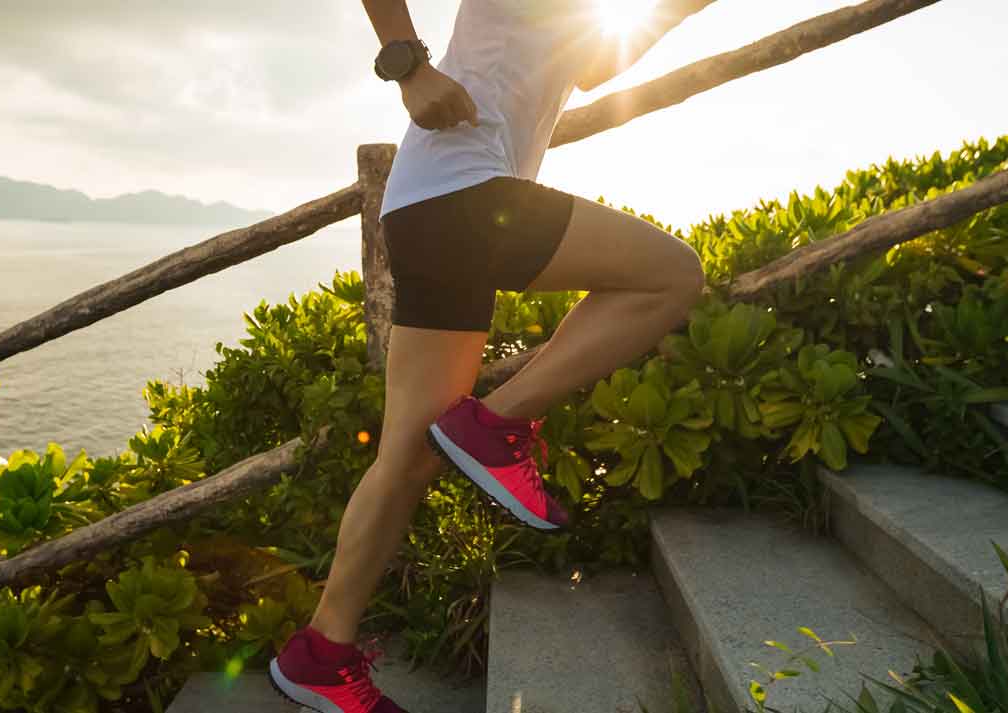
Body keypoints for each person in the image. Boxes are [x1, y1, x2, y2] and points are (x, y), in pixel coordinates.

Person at [267, 1, 712, 710]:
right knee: (672, 273)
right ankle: (496, 425)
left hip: (430, 203)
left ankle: (321, 650)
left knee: (408, 455)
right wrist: (407, 65)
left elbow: (595, 65)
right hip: (463, 194)